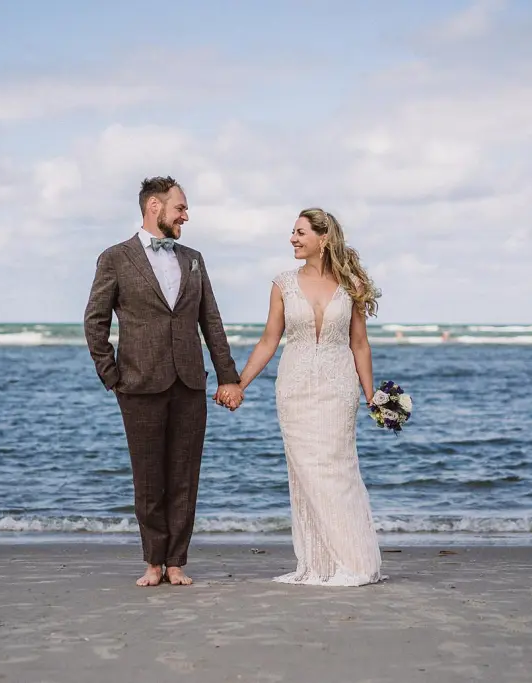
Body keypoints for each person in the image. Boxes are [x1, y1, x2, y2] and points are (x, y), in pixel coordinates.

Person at [84, 176, 243, 587]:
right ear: (155, 207)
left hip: (189, 382)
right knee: (149, 477)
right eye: (181, 208)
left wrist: (229, 377)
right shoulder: (115, 258)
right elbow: (95, 321)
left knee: (185, 476)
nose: (186, 216)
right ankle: (153, 561)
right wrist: (112, 375)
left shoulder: (193, 258)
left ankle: (176, 562)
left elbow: (212, 321)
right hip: (138, 384)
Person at [231, 207, 385, 586]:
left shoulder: (351, 285)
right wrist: (239, 383)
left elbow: (360, 344)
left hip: (338, 386)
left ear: (324, 237)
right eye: (293, 232)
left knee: (336, 470)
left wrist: (371, 396)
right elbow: (270, 341)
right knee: (305, 473)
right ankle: (317, 565)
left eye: (300, 232)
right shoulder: (282, 283)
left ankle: (356, 563)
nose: (293, 239)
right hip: (295, 388)